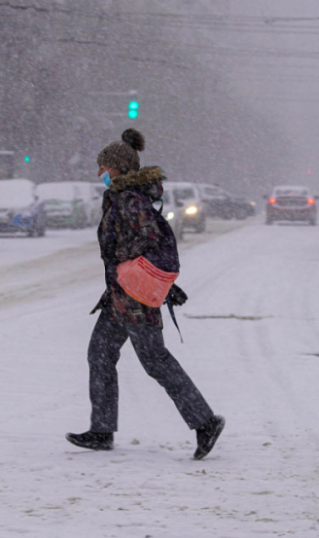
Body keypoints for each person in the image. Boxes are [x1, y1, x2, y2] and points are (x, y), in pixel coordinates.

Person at [66, 128, 225, 460]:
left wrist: (134, 268)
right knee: (100, 354)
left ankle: (205, 422)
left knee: (155, 361)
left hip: (133, 298)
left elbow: (150, 239)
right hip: (121, 294)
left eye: (103, 167)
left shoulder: (130, 200)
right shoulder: (122, 197)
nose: (99, 174)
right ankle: (101, 430)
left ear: (119, 168)